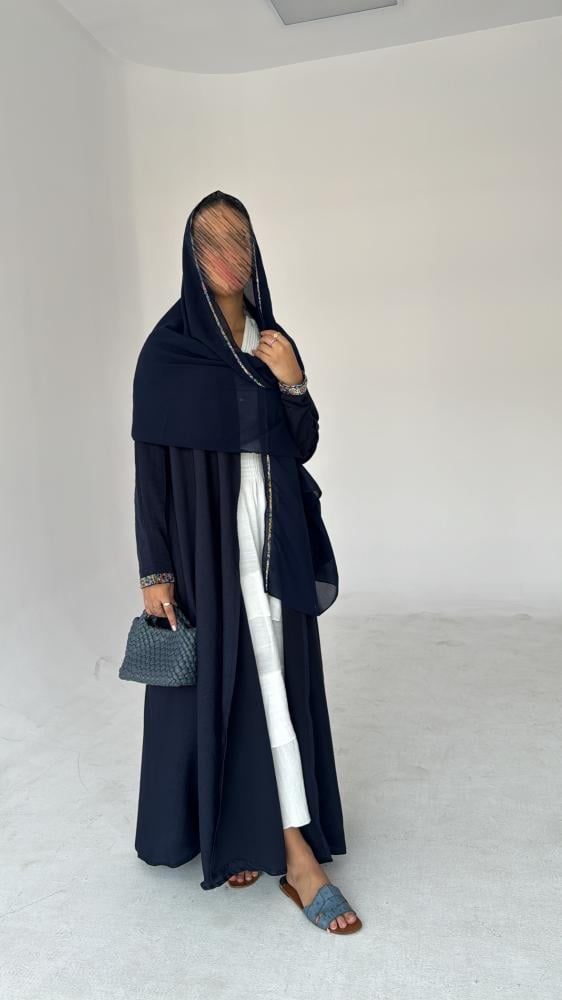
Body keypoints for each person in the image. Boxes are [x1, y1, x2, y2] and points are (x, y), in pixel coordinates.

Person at [130, 190, 362, 934]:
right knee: (233, 682)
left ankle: (274, 841)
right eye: (212, 243)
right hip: (206, 547)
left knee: (274, 681)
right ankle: (282, 850)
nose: (229, 257)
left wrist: (294, 381)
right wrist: (156, 572)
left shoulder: (271, 340)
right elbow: (151, 475)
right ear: (192, 256)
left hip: (273, 538)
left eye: (240, 241)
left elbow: (303, 442)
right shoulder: (167, 353)